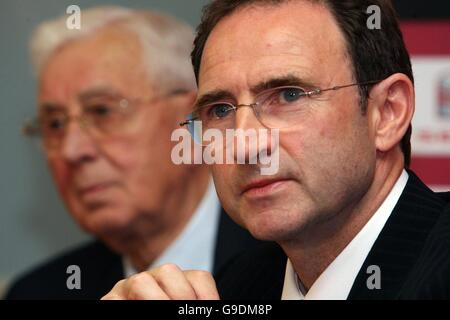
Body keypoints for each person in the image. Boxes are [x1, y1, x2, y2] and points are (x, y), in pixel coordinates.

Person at [102, 0, 450, 300]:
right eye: (220, 110)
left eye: (289, 95)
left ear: (387, 113)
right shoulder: (238, 285)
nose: (244, 144)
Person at [5, 6, 260, 300]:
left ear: (194, 123)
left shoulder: (286, 259)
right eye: (55, 124)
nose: (71, 150)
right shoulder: (39, 293)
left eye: (102, 111)